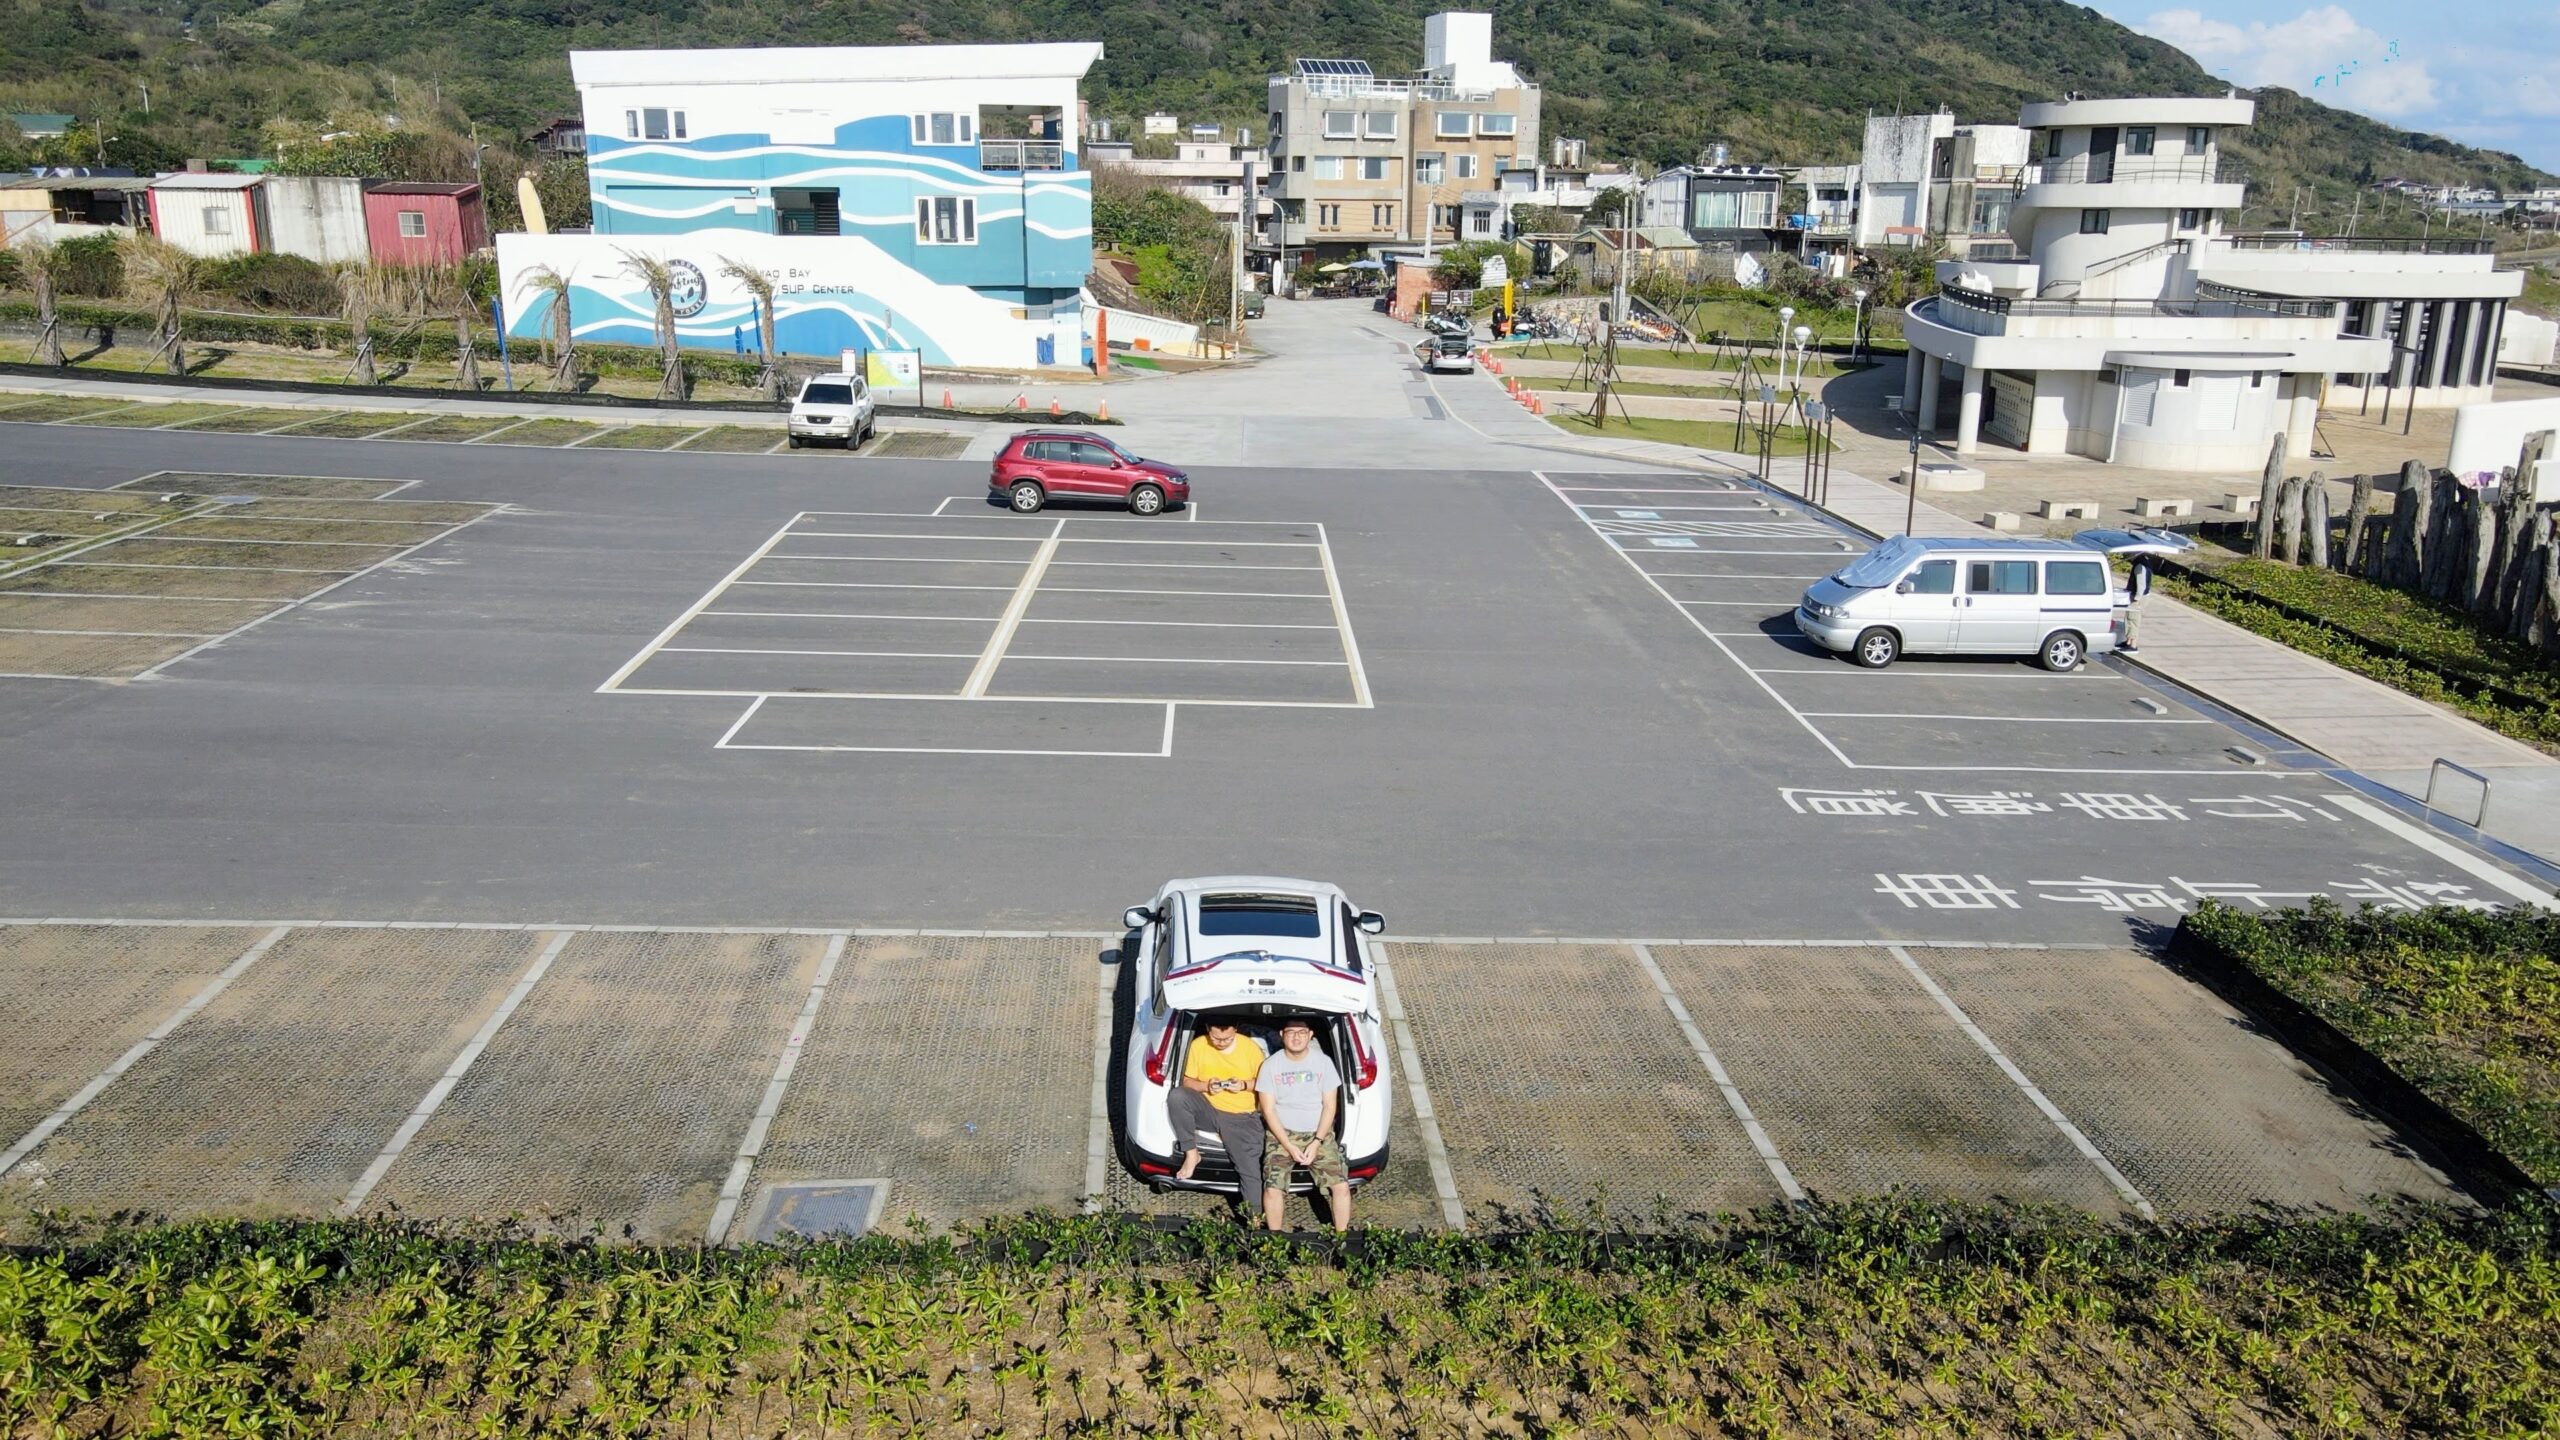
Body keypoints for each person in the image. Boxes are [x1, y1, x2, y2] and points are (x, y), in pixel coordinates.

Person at [1255, 1017, 1352, 1233]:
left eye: (1301, 1032)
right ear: (1282, 1035)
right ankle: (1275, 1238)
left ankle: (1342, 1236)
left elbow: (1329, 1106)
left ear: (1310, 1036)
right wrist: (1289, 1146)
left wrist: (1317, 1141)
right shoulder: (1270, 1066)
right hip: (1282, 1135)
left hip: (1318, 1133)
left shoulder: (1324, 1063)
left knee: (1341, 1185)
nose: (1296, 1037)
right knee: (1272, 1188)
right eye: (1291, 1032)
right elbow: (1268, 1110)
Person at [1168, 1018, 1268, 1204]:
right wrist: (1206, 1086)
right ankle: (1191, 1153)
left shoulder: (1250, 1049)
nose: (1221, 1043)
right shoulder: (1198, 1046)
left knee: (1250, 1172)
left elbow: (1264, 1082)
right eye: (1216, 1038)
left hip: (1241, 1116)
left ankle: (1255, 1222)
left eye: (1227, 1039)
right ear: (1207, 1029)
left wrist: (1244, 1085)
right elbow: (1187, 1081)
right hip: (1208, 1109)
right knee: (1177, 1096)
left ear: (1236, 1029)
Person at [2120, 552, 2155, 655]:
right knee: (2131, 618)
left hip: (2139, 597)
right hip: (2143, 596)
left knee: (2133, 619)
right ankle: (2128, 641)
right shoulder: (2145, 561)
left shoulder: (2140, 566)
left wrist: (2137, 599)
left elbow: (2141, 584)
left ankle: (2133, 645)